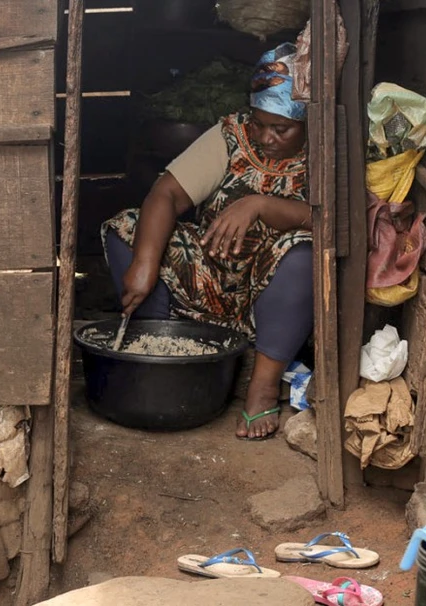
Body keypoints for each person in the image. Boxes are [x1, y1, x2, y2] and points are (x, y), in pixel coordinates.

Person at [101, 43, 314, 440]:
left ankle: (263, 386)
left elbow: (335, 221)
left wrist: (261, 205)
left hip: (271, 298)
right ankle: (163, 349)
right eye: (259, 123)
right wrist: (145, 266)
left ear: (308, 123)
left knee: (306, 254)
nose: (266, 137)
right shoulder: (231, 135)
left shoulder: (325, 153)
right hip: (207, 282)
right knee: (127, 228)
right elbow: (165, 195)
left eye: (281, 129)